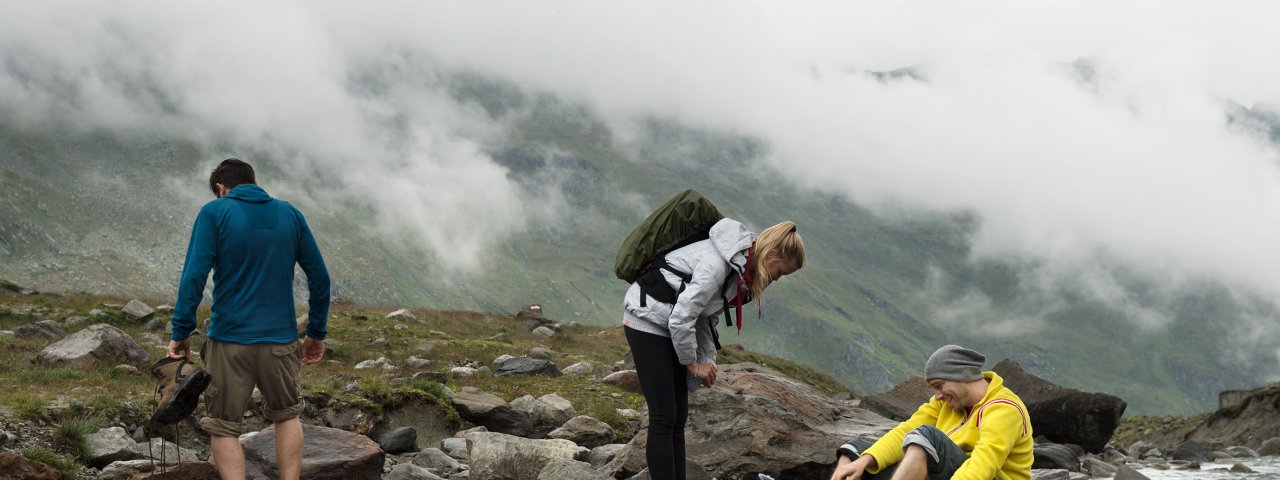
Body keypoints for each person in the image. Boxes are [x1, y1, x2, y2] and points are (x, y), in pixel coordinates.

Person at [168, 158, 330, 480]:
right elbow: (320, 278)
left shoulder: (214, 212)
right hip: (281, 342)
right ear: (253, 181)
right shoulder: (290, 214)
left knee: (224, 427)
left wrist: (181, 330)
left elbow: (194, 277)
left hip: (229, 340)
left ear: (220, 188)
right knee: (286, 416)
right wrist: (315, 333)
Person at [623, 218, 805, 480]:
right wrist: (692, 363)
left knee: (678, 419)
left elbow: (704, 315)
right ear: (773, 253)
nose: (777, 278)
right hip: (647, 321)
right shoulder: (718, 265)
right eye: (781, 272)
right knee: (664, 417)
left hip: (668, 322)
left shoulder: (737, 266)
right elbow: (682, 317)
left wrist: (707, 360)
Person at [830, 345, 1033, 480]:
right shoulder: (945, 403)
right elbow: (906, 430)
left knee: (928, 437)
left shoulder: (1004, 409)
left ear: (961, 376)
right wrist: (865, 460)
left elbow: (983, 466)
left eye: (939, 385)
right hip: (947, 474)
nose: (937, 396)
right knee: (855, 451)